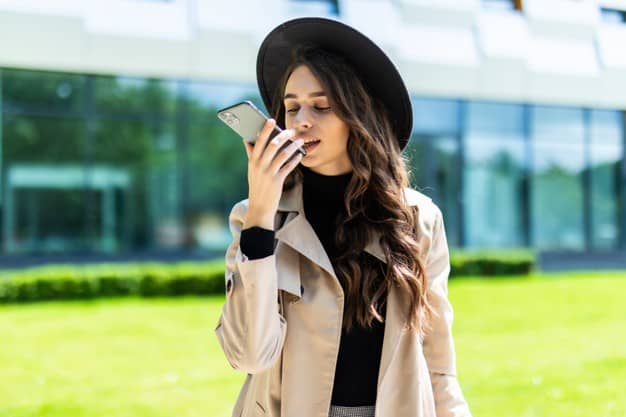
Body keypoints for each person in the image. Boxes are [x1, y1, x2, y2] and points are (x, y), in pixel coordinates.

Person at [215, 17, 472, 417]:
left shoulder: (419, 219)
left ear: (359, 115)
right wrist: (262, 214)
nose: (301, 121)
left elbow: (437, 360)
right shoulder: (255, 219)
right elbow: (248, 355)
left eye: (321, 106)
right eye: (291, 107)